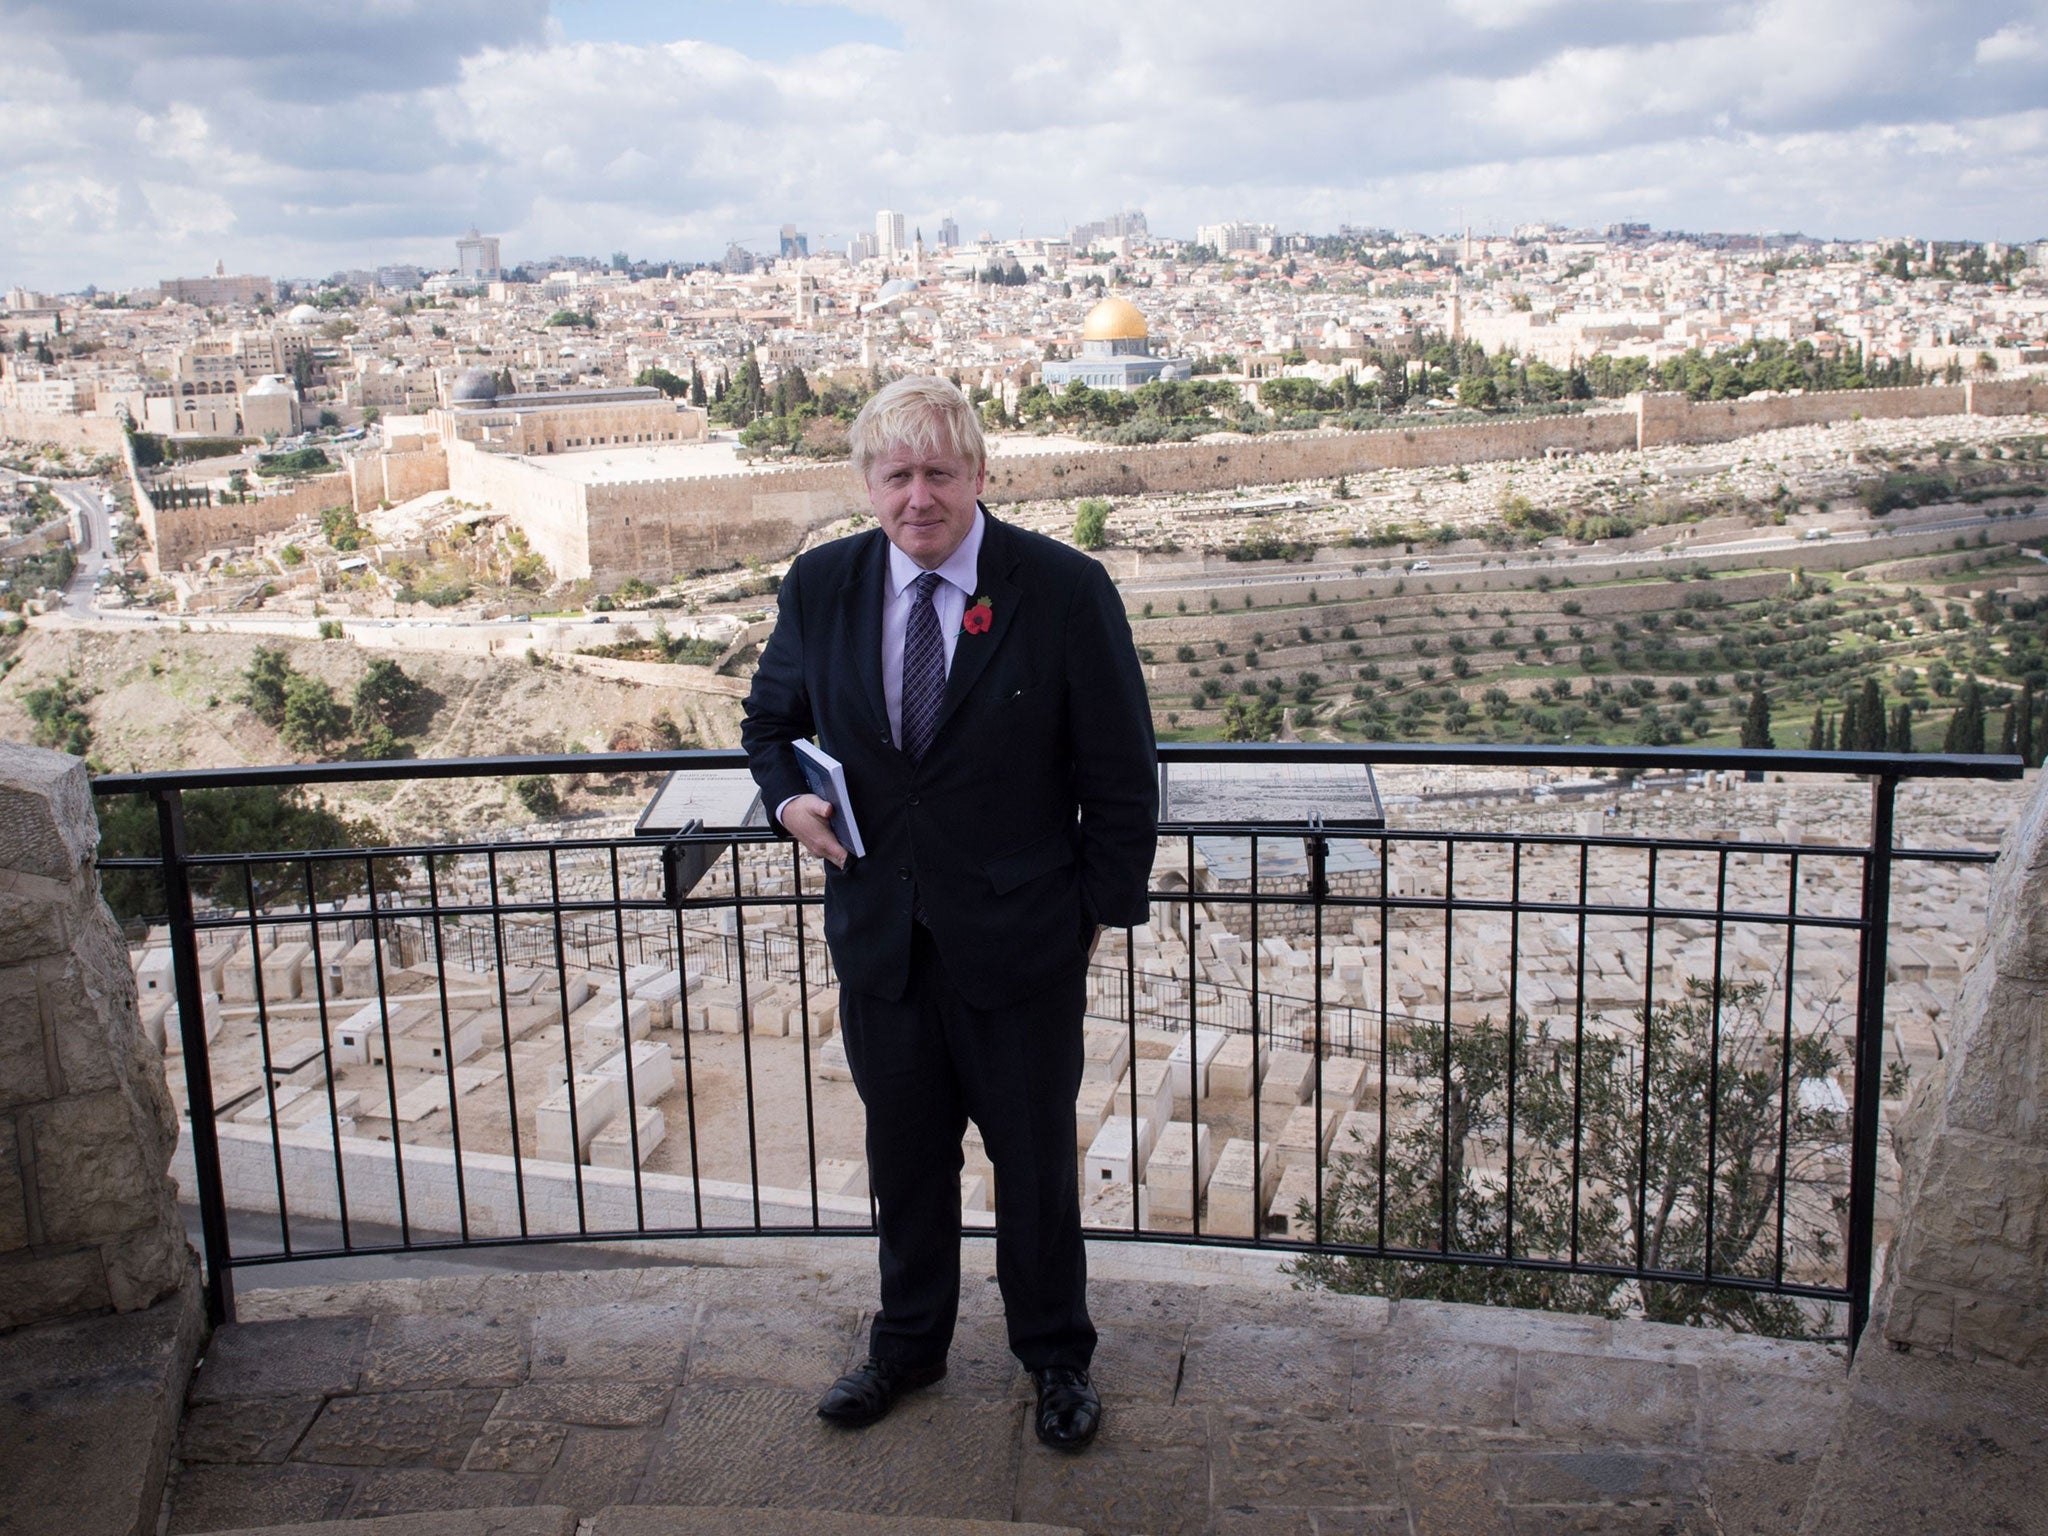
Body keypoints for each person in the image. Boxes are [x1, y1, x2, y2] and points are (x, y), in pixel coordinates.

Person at [741, 375, 1157, 1451]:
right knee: (907, 1161)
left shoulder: (1061, 589)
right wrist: (785, 796)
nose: (917, 495)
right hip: (884, 942)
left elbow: (1118, 771)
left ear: (977, 474)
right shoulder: (821, 585)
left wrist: (1092, 918)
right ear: (865, 485)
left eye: (937, 471)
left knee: (1032, 1169)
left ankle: (1055, 1359)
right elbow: (769, 723)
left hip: (1021, 945)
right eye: (896, 474)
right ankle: (905, 1349)